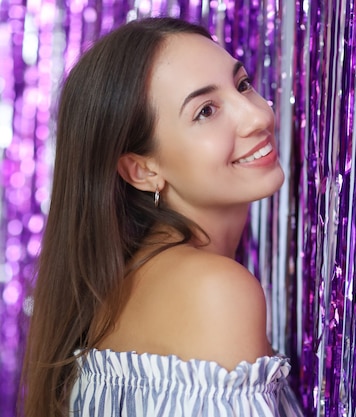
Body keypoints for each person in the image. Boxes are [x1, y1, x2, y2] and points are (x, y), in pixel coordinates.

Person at [21, 17, 303, 417]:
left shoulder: (126, 282)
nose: (257, 115)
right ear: (142, 169)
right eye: (206, 111)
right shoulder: (214, 290)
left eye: (242, 84)